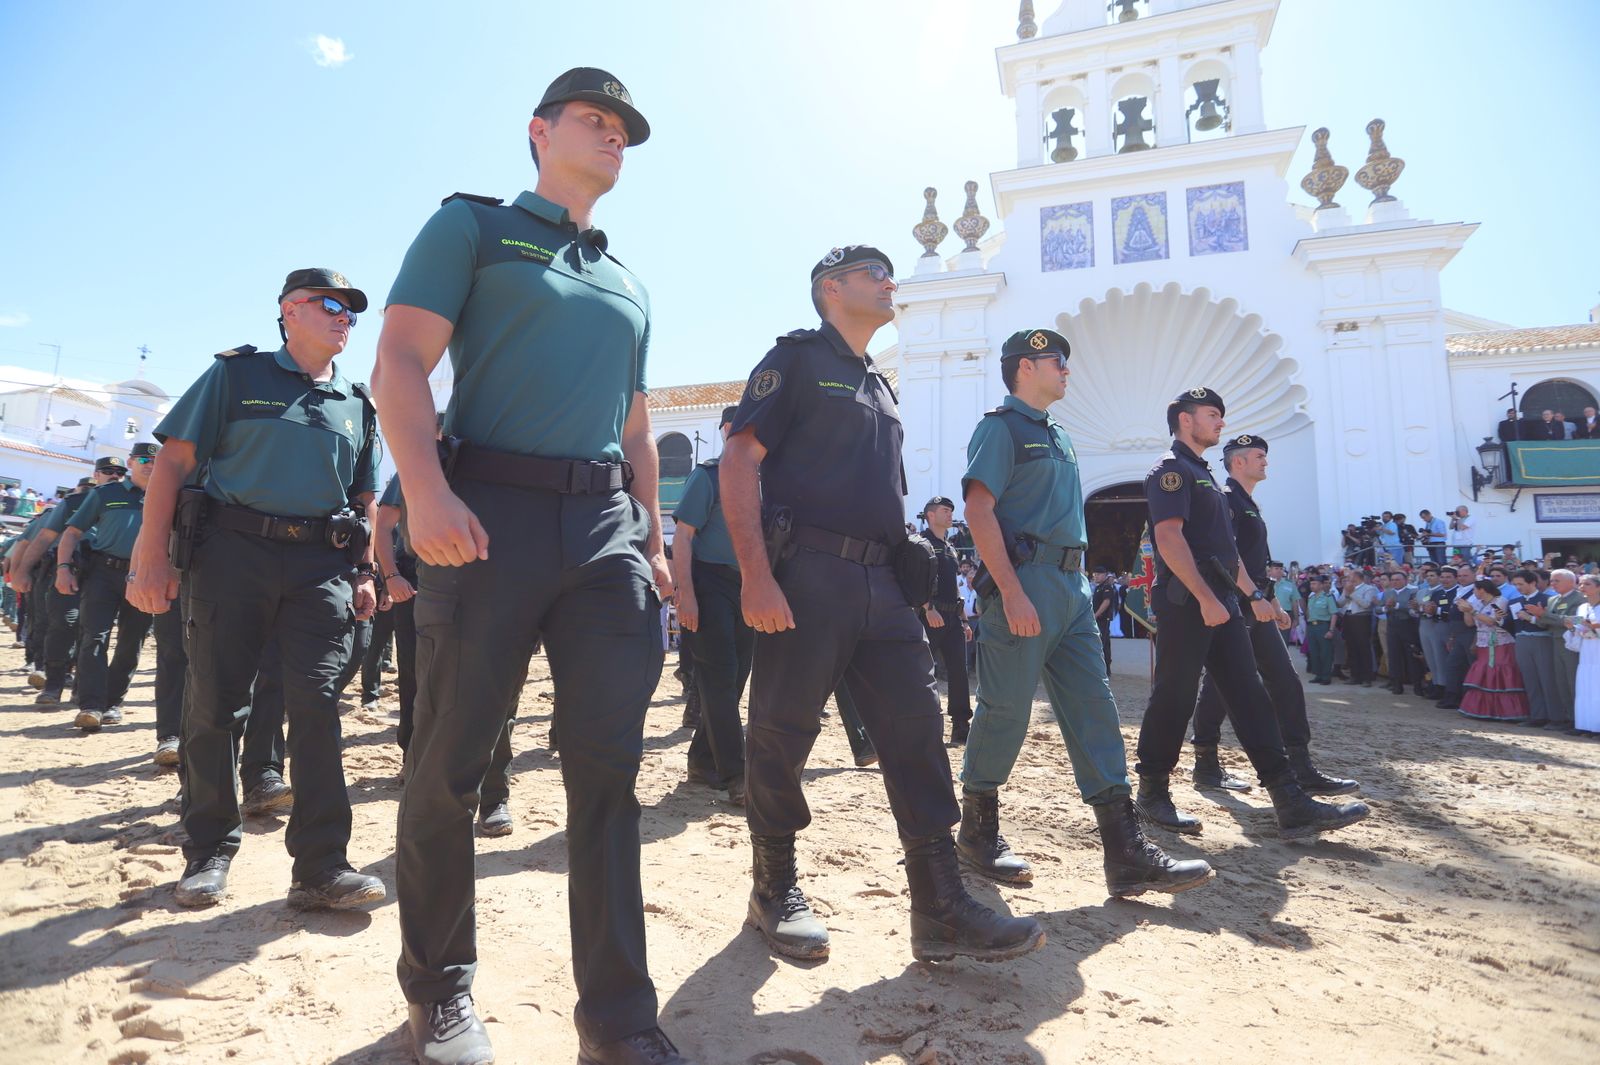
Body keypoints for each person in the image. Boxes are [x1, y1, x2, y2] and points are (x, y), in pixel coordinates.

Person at [374, 68, 690, 1065]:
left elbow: (636, 427)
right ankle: (439, 990)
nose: (613, 136)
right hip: (487, 515)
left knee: (608, 772)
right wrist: (424, 491)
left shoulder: (628, 282)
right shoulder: (473, 228)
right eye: (594, 119)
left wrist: (651, 534)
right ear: (538, 131)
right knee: (449, 766)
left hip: (603, 532)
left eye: (624, 128)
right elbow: (399, 362)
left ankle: (618, 1018)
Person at [720, 244, 1043, 968]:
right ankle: (773, 887)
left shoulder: (880, 383)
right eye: (874, 272)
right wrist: (755, 576)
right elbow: (740, 460)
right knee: (781, 732)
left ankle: (939, 904)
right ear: (831, 287)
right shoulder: (796, 360)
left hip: (884, 585)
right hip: (808, 575)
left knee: (917, 730)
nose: (889, 281)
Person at [126, 267, 385, 919]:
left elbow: (365, 496)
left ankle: (322, 866)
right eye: (330, 305)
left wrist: (366, 571)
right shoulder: (236, 376)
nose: (344, 318)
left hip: (320, 565)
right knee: (215, 704)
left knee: (318, 705)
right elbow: (174, 463)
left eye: (351, 311)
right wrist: (150, 554)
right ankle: (209, 850)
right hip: (233, 554)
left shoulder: (357, 401)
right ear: (290, 310)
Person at [956, 328, 1209, 897]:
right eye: (1056, 361)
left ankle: (1125, 851)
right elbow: (979, 510)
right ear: (1025, 367)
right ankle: (976, 832)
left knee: (1095, 709)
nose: (1067, 370)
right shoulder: (1001, 428)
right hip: (1026, 582)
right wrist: (1011, 591)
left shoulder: (1059, 434)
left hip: (1071, 586)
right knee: (1006, 711)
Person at [1133, 388, 1368, 840]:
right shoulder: (1171, 470)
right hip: (1188, 601)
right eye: (1212, 414)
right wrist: (1205, 597)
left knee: (1249, 695)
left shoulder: (1205, 475)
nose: (1221, 422)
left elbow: (1228, 552)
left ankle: (1289, 799)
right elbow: (1169, 539)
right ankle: (1153, 792)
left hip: (1222, 599)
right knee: (1175, 696)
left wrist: (1254, 596)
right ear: (1186, 420)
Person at [1190, 434, 1356, 793]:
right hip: (1236, 605)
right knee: (1223, 686)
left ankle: (1298, 764)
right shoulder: (1226, 499)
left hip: (1255, 605)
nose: (1266, 462)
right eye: (1259, 456)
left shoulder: (1246, 502)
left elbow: (1256, 563)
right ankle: (1206, 762)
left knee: (1280, 681)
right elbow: (1226, 557)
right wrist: (1253, 597)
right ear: (1238, 462)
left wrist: (1273, 601)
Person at [674, 406, 754, 804]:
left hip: (749, 587)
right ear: (723, 430)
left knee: (734, 682)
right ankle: (738, 776)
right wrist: (685, 594)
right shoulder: (708, 476)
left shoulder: (764, 482)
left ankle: (703, 761)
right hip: (709, 583)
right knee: (720, 678)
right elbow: (683, 537)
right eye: (733, 426)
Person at [55, 443, 163, 732]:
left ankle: (113, 702)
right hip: (103, 573)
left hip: (144, 576)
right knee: (94, 637)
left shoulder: (167, 495)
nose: (150, 465)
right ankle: (90, 705)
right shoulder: (105, 493)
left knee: (132, 641)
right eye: (143, 460)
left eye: (155, 460)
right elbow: (72, 532)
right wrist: (63, 568)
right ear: (131, 462)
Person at [13, 461, 125, 703]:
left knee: (92, 632)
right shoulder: (74, 502)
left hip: (102, 574)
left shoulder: (130, 500)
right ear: (96, 475)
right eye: (108, 472)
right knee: (63, 625)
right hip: (70, 570)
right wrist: (22, 571)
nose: (115, 475)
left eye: (120, 472)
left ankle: (81, 686)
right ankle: (53, 684)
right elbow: (44, 537)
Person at [919, 495, 972, 743]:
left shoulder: (950, 547)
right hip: (931, 616)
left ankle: (961, 724)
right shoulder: (920, 544)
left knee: (959, 671)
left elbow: (954, 587)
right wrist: (928, 608)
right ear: (930, 515)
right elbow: (913, 580)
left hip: (953, 617)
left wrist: (964, 620)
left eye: (951, 510)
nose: (950, 514)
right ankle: (924, 722)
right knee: (923, 672)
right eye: (944, 510)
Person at [1525, 569, 1583, 731]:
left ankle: (1579, 720)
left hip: (1572, 644)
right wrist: (1538, 616)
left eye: (1557, 580)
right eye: (1552, 581)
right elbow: (1545, 623)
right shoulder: (1552, 599)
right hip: (1555, 642)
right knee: (1561, 682)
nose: (1553, 584)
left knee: (1572, 681)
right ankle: (1569, 718)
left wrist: (1544, 615)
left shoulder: (1579, 599)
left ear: (1571, 582)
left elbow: (1574, 621)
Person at [1508, 569, 1556, 728]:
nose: (1518, 587)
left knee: (1547, 679)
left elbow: (1551, 623)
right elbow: (1511, 625)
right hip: (1521, 640)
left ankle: (1555, 717)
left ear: (1533, 583)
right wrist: (1499, 620)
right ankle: (1537, 715)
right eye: (1515, 584)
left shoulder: (1547, 600)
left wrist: (1532, 618)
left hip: (1542, 639)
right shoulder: (1514, 602)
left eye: (1520, 584)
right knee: (1530, 679)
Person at [1338, 569, 1379, 686]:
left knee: (1363, 647)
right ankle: (1354, 676)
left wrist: (1352, 593)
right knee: (1351, 647)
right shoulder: (1347, 587)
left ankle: (1367, 677)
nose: (1348, 578)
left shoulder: (1369, 588)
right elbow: (1339, 603)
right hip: (1348, 617)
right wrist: (1347, 594)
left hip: (1361, 618)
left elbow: (1366, 604)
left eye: (1350, 576)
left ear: (1357, 577)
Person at [1572, 575, 1600, 734]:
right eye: (1581, 584)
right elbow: (1578, 628)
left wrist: (1592, 626)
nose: (1582, 587)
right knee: (1586, 687)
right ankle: (1585, 725)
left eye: (1587, 584)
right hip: (1587, 650)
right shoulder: (1582, 607)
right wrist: (1574, 626)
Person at [1304, 573, 1338, 684]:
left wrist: (1331, 630)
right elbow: (1308, 613)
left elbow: (1334, 614)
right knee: (1314, 652)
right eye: (1311, 584)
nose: (1312, 586)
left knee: (1325, 653)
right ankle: (1318, 675)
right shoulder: (1311, 597)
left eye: (1314, 584)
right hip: (1311, 627)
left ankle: (1326, 676)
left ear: (1321, 585)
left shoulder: (1328, 597)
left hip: (1323, 626)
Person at [1091, 565, 1116, 670]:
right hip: (1097, 619)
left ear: (1105, 575)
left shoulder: (1107, 587)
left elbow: (1106, 602)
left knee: (1102, 643)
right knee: (1101, 643)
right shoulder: (1098, 587)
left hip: (1103, 619)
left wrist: (1096, 615)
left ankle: (1105, 668)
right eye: (1095, 574)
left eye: (1098, 574)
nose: (1096, 576)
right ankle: (1102, 667)